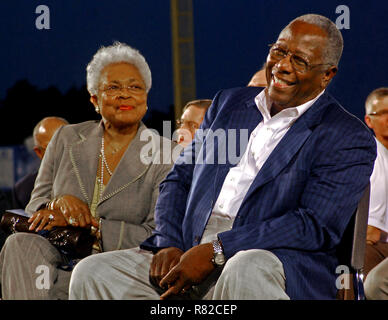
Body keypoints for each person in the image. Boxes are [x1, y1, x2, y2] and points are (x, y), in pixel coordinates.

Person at [69, 14, 376, 300]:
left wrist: (219, 249)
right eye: (280, 51)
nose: (283, 66)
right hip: (189, 247)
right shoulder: (229, 104)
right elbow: (179, 179)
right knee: (93, 273)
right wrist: (169, 242)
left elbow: (312, 225)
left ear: (327, 75)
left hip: (266, 257)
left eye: (299, 60)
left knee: (244, 267)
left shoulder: (345, 135)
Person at [0, 42, 175, 299]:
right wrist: (58, 204)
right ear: (95, 99)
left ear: (145, 98)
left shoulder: (166, 153)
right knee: (19, 244)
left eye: (135, 87)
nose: (125, 95)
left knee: (88, 272)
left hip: (118, 262)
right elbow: (35, 204)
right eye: (113, 87)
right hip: (56, 253)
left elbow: (156, 234)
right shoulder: (66, 138)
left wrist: (95, 227)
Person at [362, 88, 388, 300]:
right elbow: (371, 233)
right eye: (383, 113)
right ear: (369, 121)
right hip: (373, 247)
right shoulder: (368, 157)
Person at [11, 116, 69, 209]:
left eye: (67, 144)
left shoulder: (96, 174)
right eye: (52, 148)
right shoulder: (23, 190)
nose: (63, 151)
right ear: (39, 152)